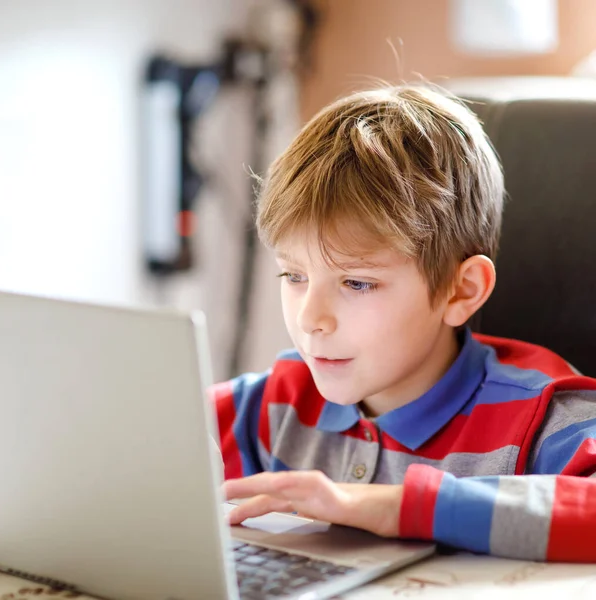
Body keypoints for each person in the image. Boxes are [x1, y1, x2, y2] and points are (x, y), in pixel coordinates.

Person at [210, 85, 596, 562]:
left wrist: (398, 508)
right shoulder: (272, 405)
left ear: (462, 291)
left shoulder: (543, 419)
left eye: (356, 283)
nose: (310, 319)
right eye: (294, 275)